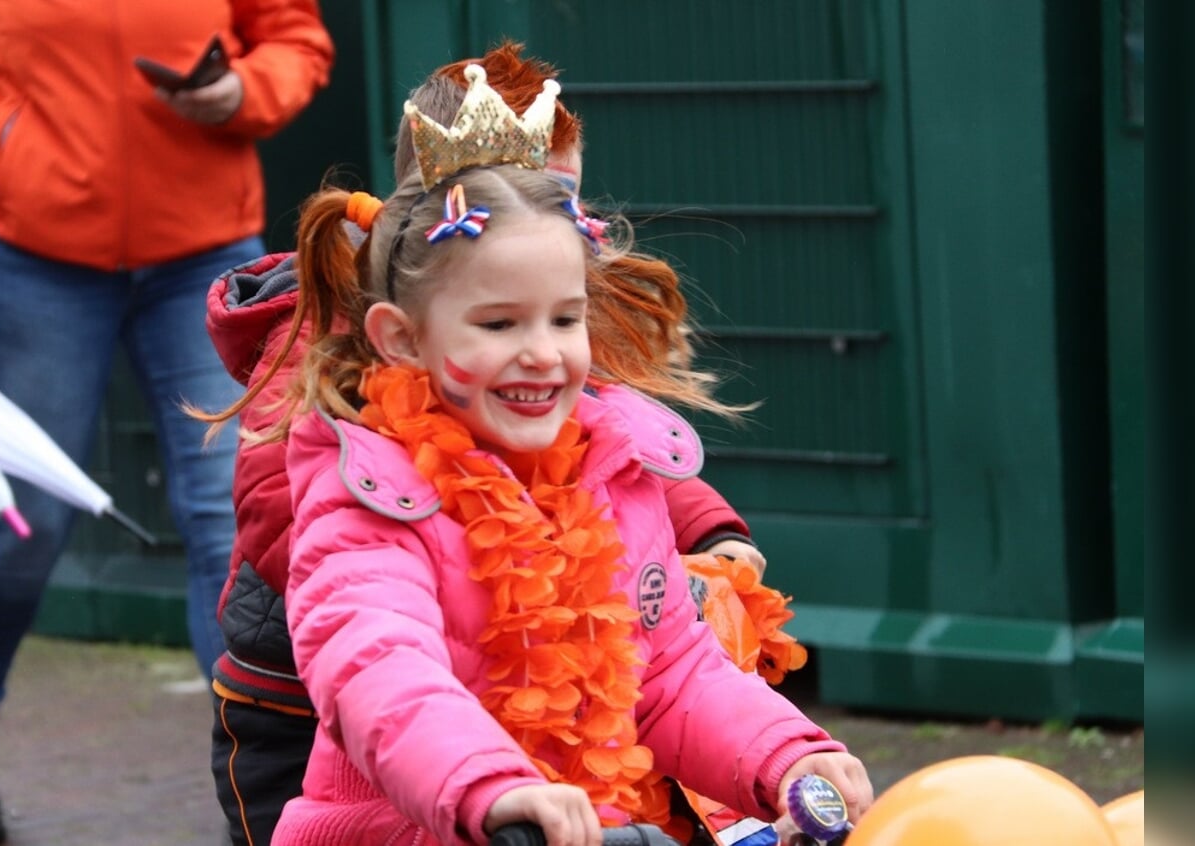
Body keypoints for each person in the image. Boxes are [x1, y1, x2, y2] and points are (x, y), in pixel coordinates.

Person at [262, 64, 874, 845]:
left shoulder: (612, 470)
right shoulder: (370, 490)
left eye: (564, 319)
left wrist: (786, 757)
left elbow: (671, 675)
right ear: (402, 338)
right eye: (498, 325)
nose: (543, 354)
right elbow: (380, 671)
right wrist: (491, 786)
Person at [0, 1, 334, 842]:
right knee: (28, 515)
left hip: (203, 252)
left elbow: (295, 36)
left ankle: (254, 784)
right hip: (33, 256)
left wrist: (243, 89)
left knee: (232, 520)